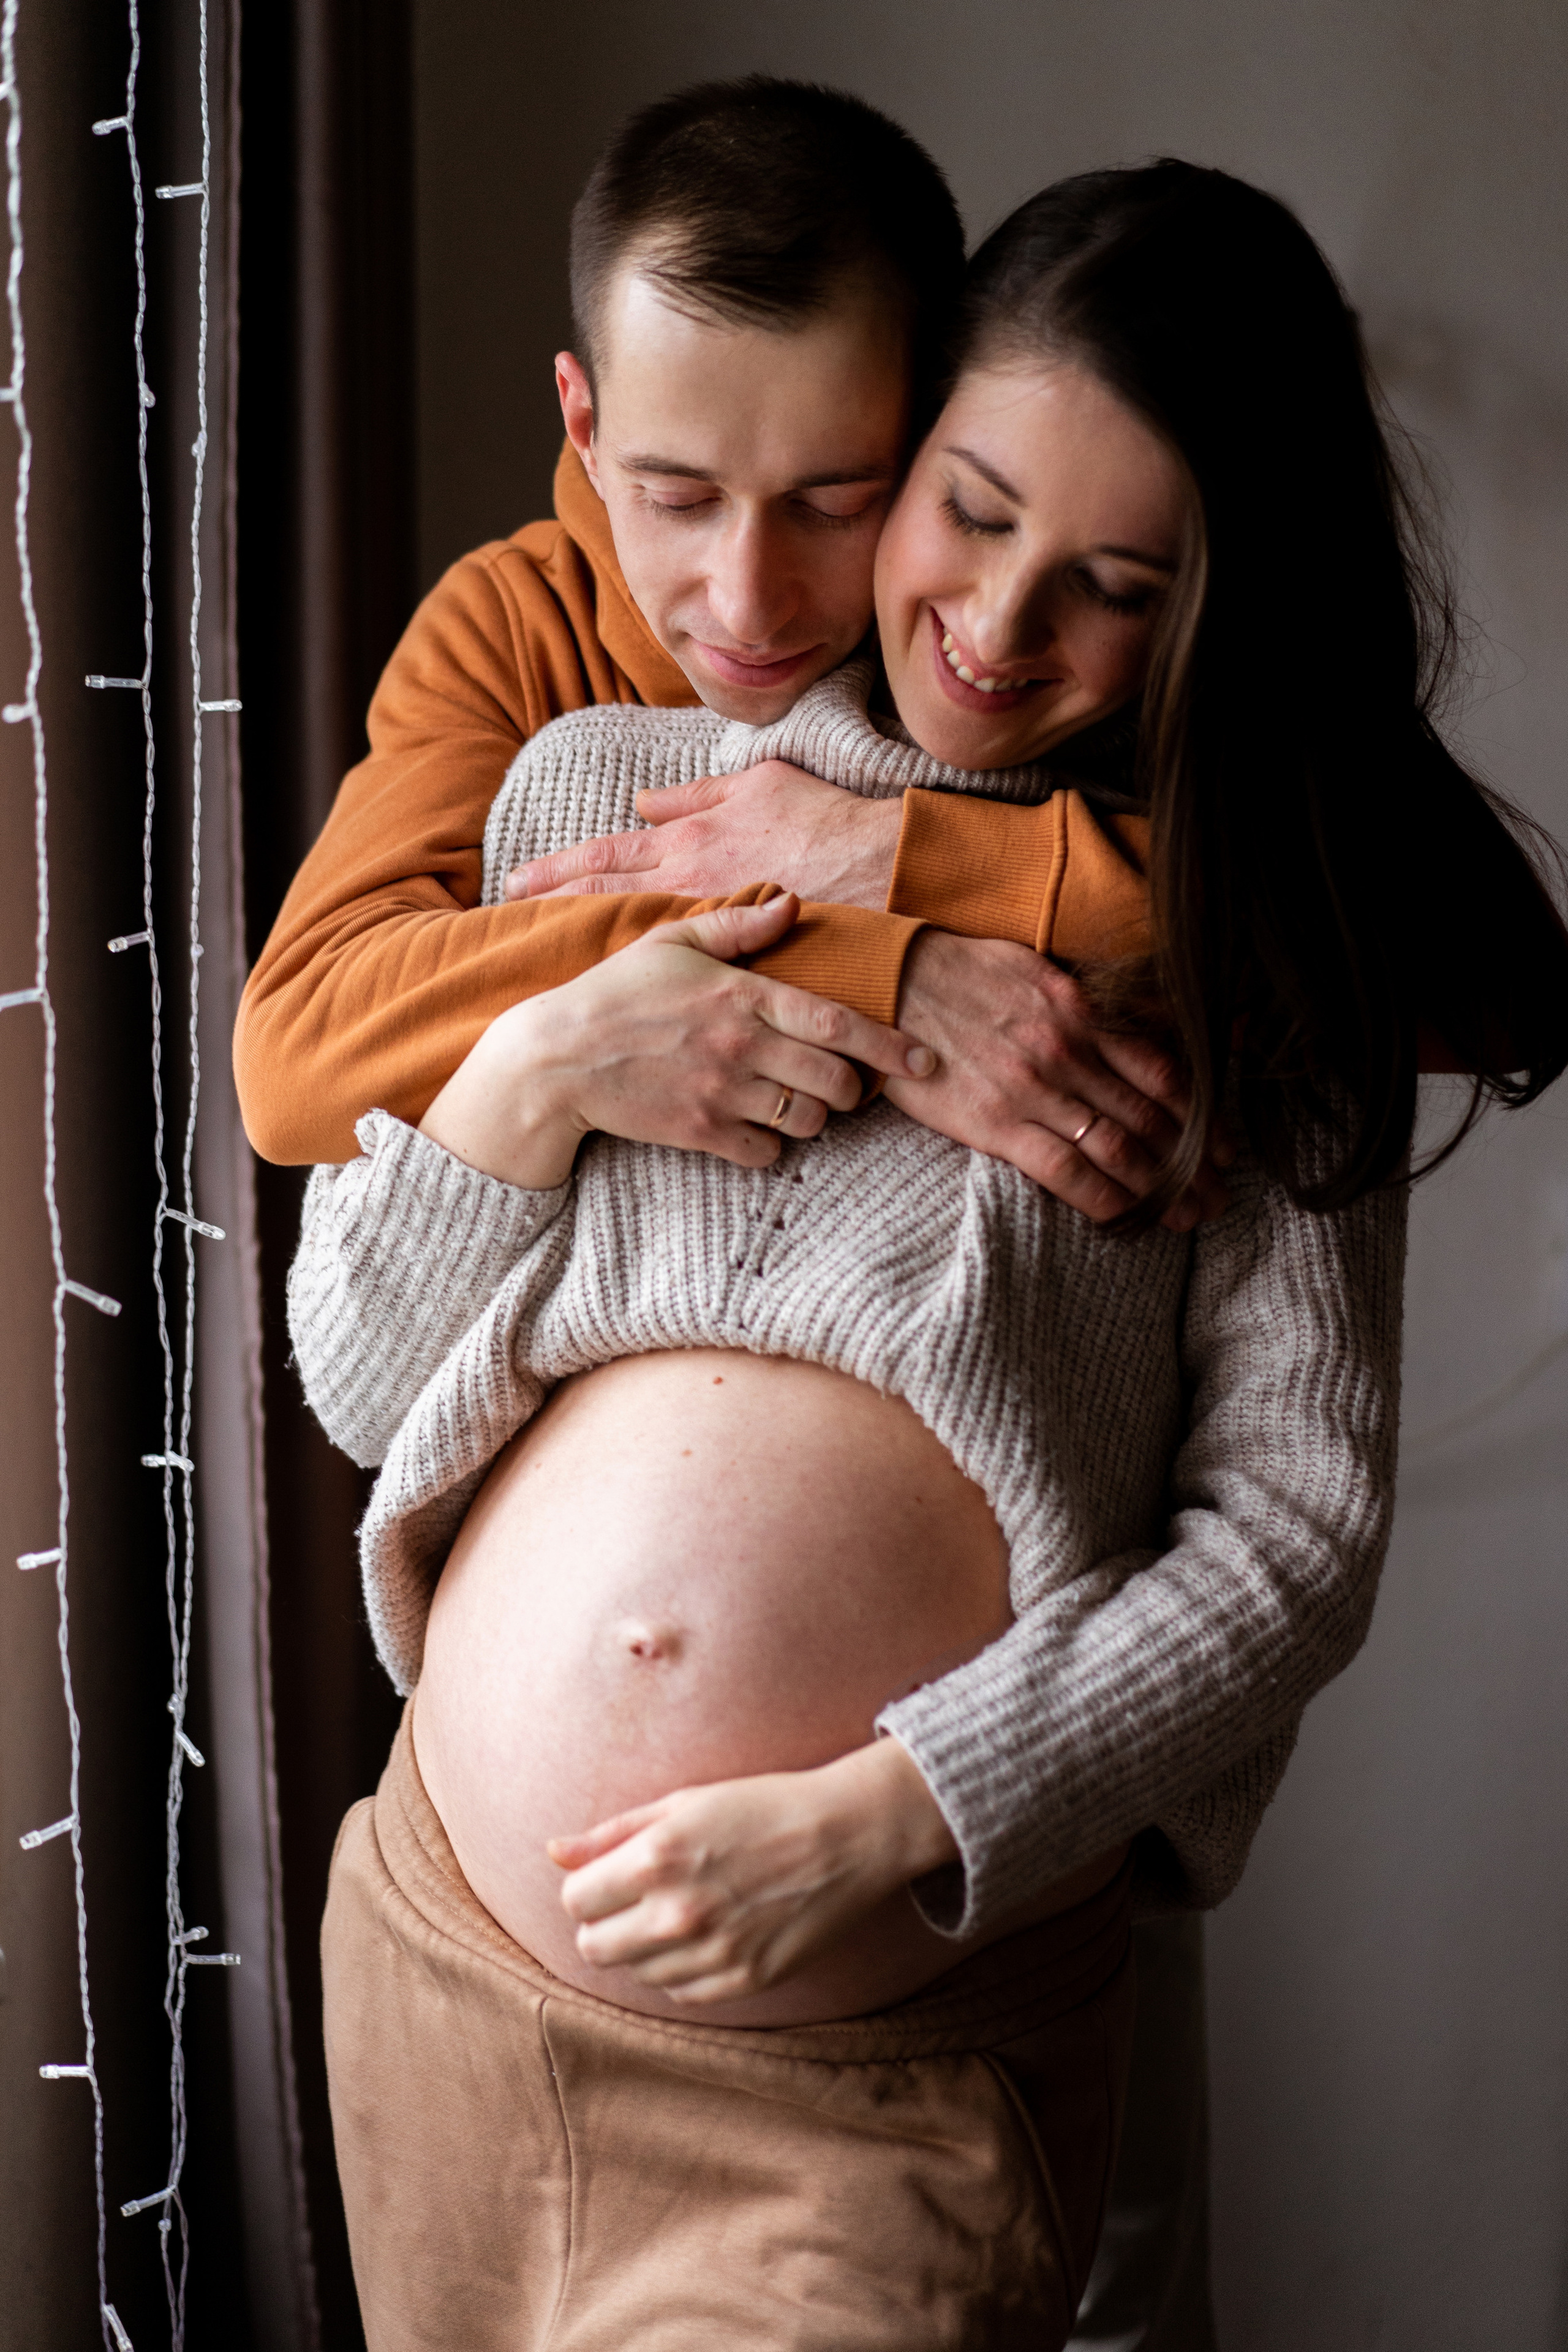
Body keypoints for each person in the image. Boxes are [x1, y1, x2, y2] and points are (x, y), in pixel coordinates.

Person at [285, 159, 1568, 2349]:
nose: (997, 623)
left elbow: (1299, 1530)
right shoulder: (600, 786)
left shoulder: (1253, 975)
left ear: (1216, 611)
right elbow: (352, 1369)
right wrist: (537, 1072)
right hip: (439, 1988)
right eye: (968, 510)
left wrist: (894, 1812)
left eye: (1117, 583)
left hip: (862, 2064)